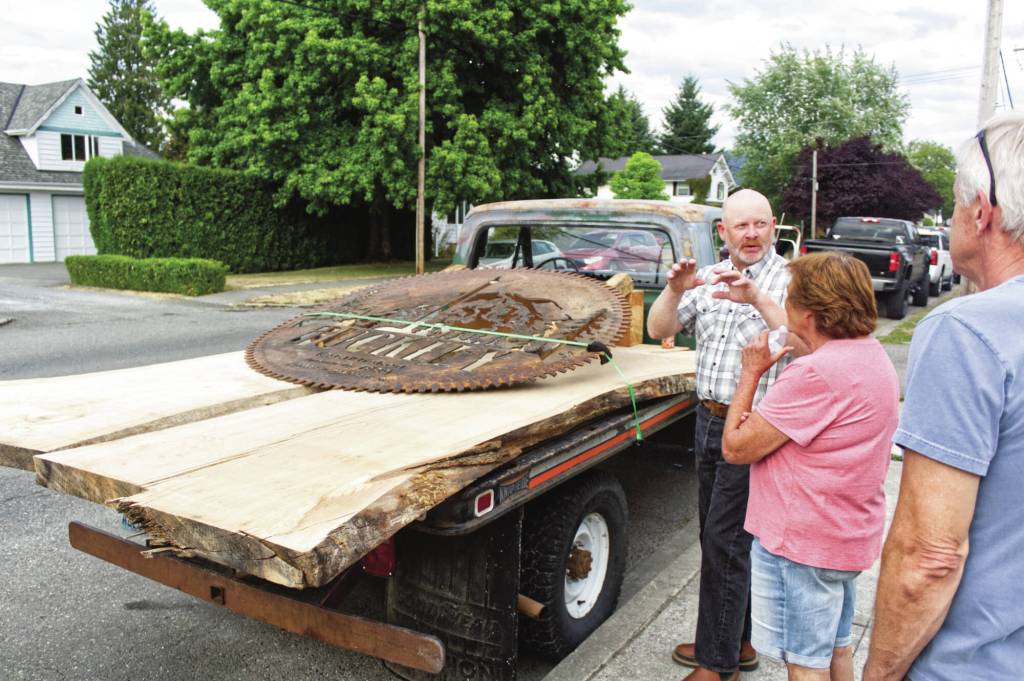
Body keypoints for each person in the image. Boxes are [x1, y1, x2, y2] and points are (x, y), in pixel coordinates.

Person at [863, 113, 1024, 680]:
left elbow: (928, 556)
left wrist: (879, 674)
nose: (953, 218)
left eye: (955, 204)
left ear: (982, 211)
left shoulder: (968, 334)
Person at [721, 252, 899, 681]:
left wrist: (750, 374)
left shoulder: (815, 375)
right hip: (842, 537)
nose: (786, 306)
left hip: (800, 545)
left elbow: (736, 448)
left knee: (804, 665)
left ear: (809, 313)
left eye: (790, 298)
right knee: (835, 650)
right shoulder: (870, 355)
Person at [647, 189, 795, 681]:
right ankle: (738, 640)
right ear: (723, 232)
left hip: (754, 424)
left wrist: (755, 296)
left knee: (724, 540)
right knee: (721, 535)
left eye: (759, 225)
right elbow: (657, 328)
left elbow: (801, 341)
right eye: (740, 226)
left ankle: (717, 664)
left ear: (773, 225)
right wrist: (673, 290)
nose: (750, 235)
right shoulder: (707, 278)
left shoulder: (790, 280)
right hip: (707, 418)